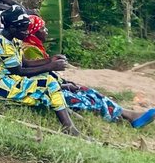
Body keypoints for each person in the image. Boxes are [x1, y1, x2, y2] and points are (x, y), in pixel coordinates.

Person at [21, 15, 155, 128]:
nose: (46, 31)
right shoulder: (30, 50)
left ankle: (126, 115)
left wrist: (64, 82)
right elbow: (35, 76)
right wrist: (61, 83)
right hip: (44, 90)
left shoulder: (33, 48)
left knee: (88, 91)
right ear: (34, 32)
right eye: (42, 28)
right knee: (88, 98)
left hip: (51, 86)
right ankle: (127, 116)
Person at [0, 5, 80, 134]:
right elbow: (18, 71)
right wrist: (50, 66)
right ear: (13, 27)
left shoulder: (11, 37)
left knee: (49, 75)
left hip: (7, 76)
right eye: (24, 30)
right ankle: (69, 127)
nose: (27, 33)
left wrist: (50, 60)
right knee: (48, 82)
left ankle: (64, 110)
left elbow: (25, 63)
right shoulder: (2, 43)